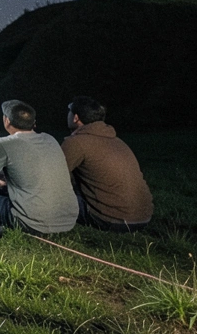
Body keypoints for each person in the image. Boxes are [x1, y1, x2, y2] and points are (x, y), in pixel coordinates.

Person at [0, 100, 77, 234]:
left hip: (30, 222)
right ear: (33, 122)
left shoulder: (5, 144)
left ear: (7, 121)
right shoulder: (50, 139)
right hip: (68, 220)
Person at [62, 96, 153, 232]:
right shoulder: (117, 141)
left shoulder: (76, 143)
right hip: (143, 217)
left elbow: (54, 175)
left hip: (110, 220)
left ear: (76, 118)